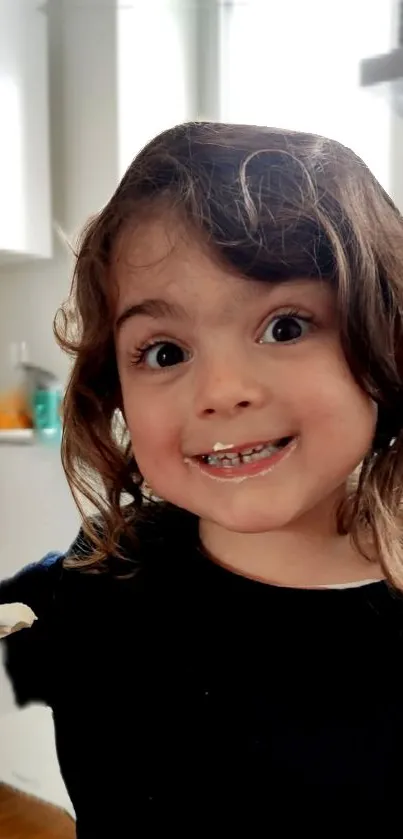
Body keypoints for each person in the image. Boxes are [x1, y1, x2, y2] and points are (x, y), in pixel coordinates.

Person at [1, 120, 403, 834]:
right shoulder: (100, 570)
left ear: (387, 334)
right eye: (162, 351)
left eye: (284, 326)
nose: (220, 389)